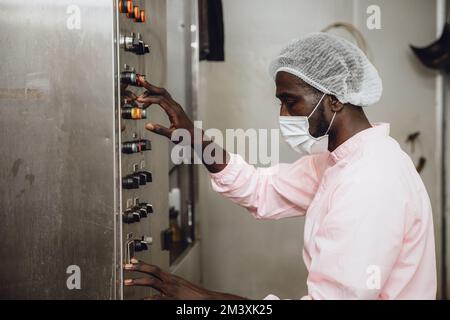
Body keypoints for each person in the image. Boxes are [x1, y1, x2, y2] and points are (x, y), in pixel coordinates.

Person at [124, 33, 437, 300]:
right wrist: (195, 138)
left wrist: (203, 299)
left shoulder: (370, 181)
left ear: (335, 100)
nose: (284, 115)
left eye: (291, 101)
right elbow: (261, 189)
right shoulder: (340, 161)